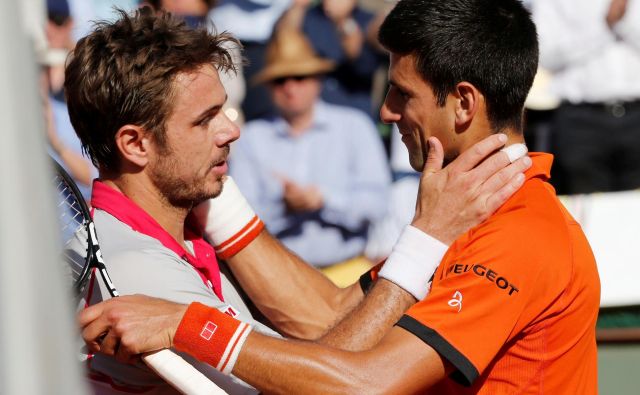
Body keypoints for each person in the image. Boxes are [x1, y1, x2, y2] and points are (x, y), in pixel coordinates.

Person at [77, 1, 595, 393]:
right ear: (135, 144)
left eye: (402, 93)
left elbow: (363, 383)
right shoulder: (459, 216)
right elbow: (332, 318)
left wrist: (184, 324)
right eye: (204, 119)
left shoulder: (512, 233)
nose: (387, 111)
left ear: (463, 104)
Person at [230, 28, 390, 283]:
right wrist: (284, 207)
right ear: (270, 87)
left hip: (348, 269)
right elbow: (239, 218)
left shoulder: (355, 127)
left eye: (300, 77)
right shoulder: (252, 138)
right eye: (280, 80)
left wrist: (323, 200)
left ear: (318, 79)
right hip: (280, 276)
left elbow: (377, 205)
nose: (290, 87)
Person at [532, 0, 640, 193]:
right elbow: (545, 53)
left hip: (636, 115)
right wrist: (604, 27)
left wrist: (622, 23)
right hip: (581, 121)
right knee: (586, 211)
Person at [277, 0, 383, 118]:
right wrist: (298, 6)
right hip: (312, 114)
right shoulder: (307, 17)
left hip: (353, 111)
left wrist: (343, 20)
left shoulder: (369, 20)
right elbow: (282, 49)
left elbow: (365, 67)